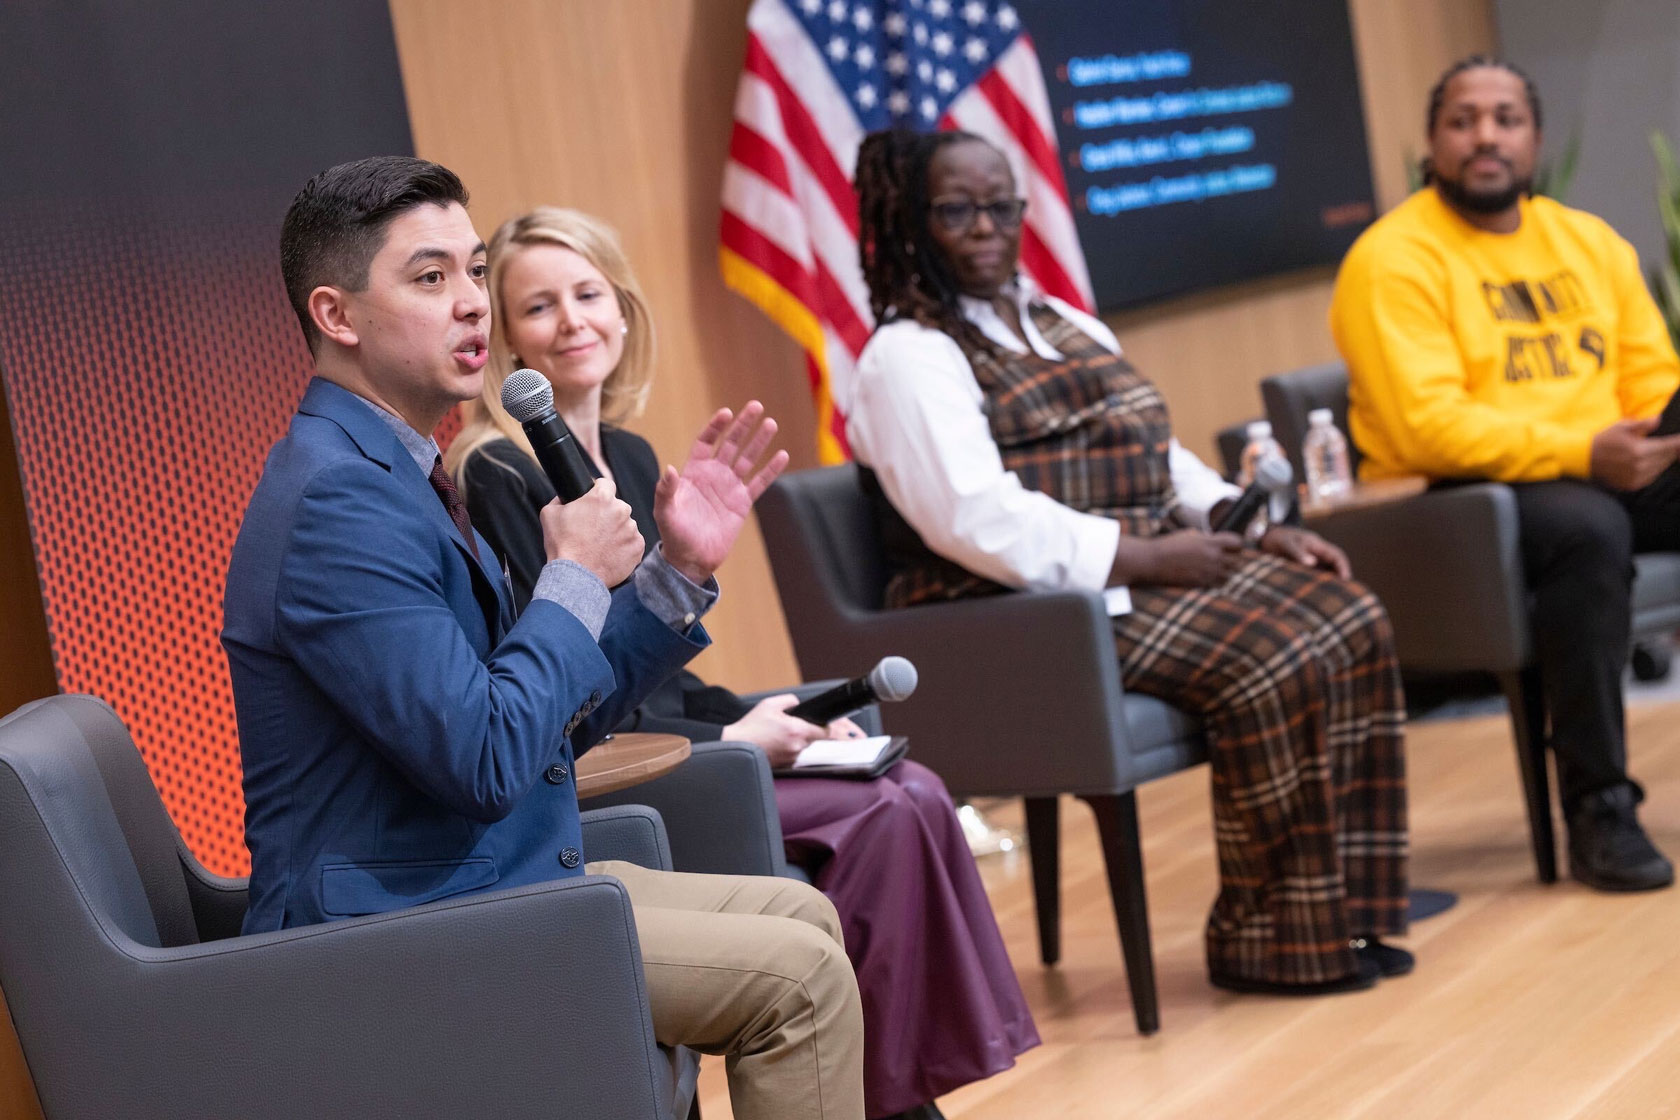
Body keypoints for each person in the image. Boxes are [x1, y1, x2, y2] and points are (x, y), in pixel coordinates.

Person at [222, 157, 865, 1120]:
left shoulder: (392, 470)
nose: (473, 305)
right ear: (338, 315)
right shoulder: (336, 504)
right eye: (431, 278)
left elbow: (536, 728)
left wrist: (673, 573)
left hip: (472, 878)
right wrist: (569, 578)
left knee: (803, 913)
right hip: (400, 926)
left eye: (475, 272)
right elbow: (484, 760)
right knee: (798, 982)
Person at [445, 205, 1038, 1120]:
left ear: (624, 309)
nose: (571, 322)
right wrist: (734, 736)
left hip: (683, 734)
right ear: (505, 341)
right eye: (538, 306)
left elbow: (665, 671)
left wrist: (782, 720)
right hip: (622, 771)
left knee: (913, 789)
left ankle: (901, 1091)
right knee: (881, 816)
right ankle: (889, 1104)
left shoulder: (634, 456)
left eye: (588, 294)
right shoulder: (495, 473)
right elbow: (562, 679)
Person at [844, 128, 1412, 996]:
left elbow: (1157, 452)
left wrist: (1247, 524)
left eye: (1003, 207)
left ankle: (1342, 919)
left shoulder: (1058, 319)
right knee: (1273, 654)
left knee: (1350, 612)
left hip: (1135, 572)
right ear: (910, 222)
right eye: (958, 211)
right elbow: (973, 517)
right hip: (1027, 607)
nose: (988, 227)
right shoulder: (906, 355)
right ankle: (1269, 938)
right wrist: (1143, 556)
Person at [1330, 56, 1678, 892]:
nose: (1485, 135)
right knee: (1589, 530)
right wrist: (1582, 453)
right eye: (1463, 119)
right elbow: (1429, 426)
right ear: (1433, 141)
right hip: (1456, 498)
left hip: (1601, 460)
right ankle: (1599, 807)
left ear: (1535, 138)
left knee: (1599, 511)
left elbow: (1651, 374)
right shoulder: (1393, 259)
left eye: (1505, 117)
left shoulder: (1587, 241)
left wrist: (1659, 437)